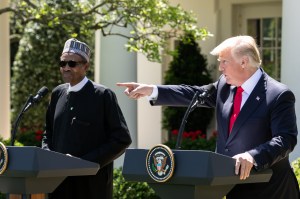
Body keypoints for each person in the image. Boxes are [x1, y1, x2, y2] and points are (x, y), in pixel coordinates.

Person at [117, 35, 300, 199]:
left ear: (244, 62)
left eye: (224, 61)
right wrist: (152, 90)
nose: (220, 67)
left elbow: (286, 139)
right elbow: (194, 94)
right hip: (232, 186)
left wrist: (253, 156)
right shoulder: (224, 86)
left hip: (270, 189)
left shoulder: (278, 95)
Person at [42, 38, 132, 199]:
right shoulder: (57, 94)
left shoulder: (103, 95)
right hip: (57, 184)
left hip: (91, 185)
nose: (66, 68)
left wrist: (83, 163)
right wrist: (48, 156)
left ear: (86, 66)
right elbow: (48, 133)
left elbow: (121, 139)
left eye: (72, 64)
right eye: (63, 64)